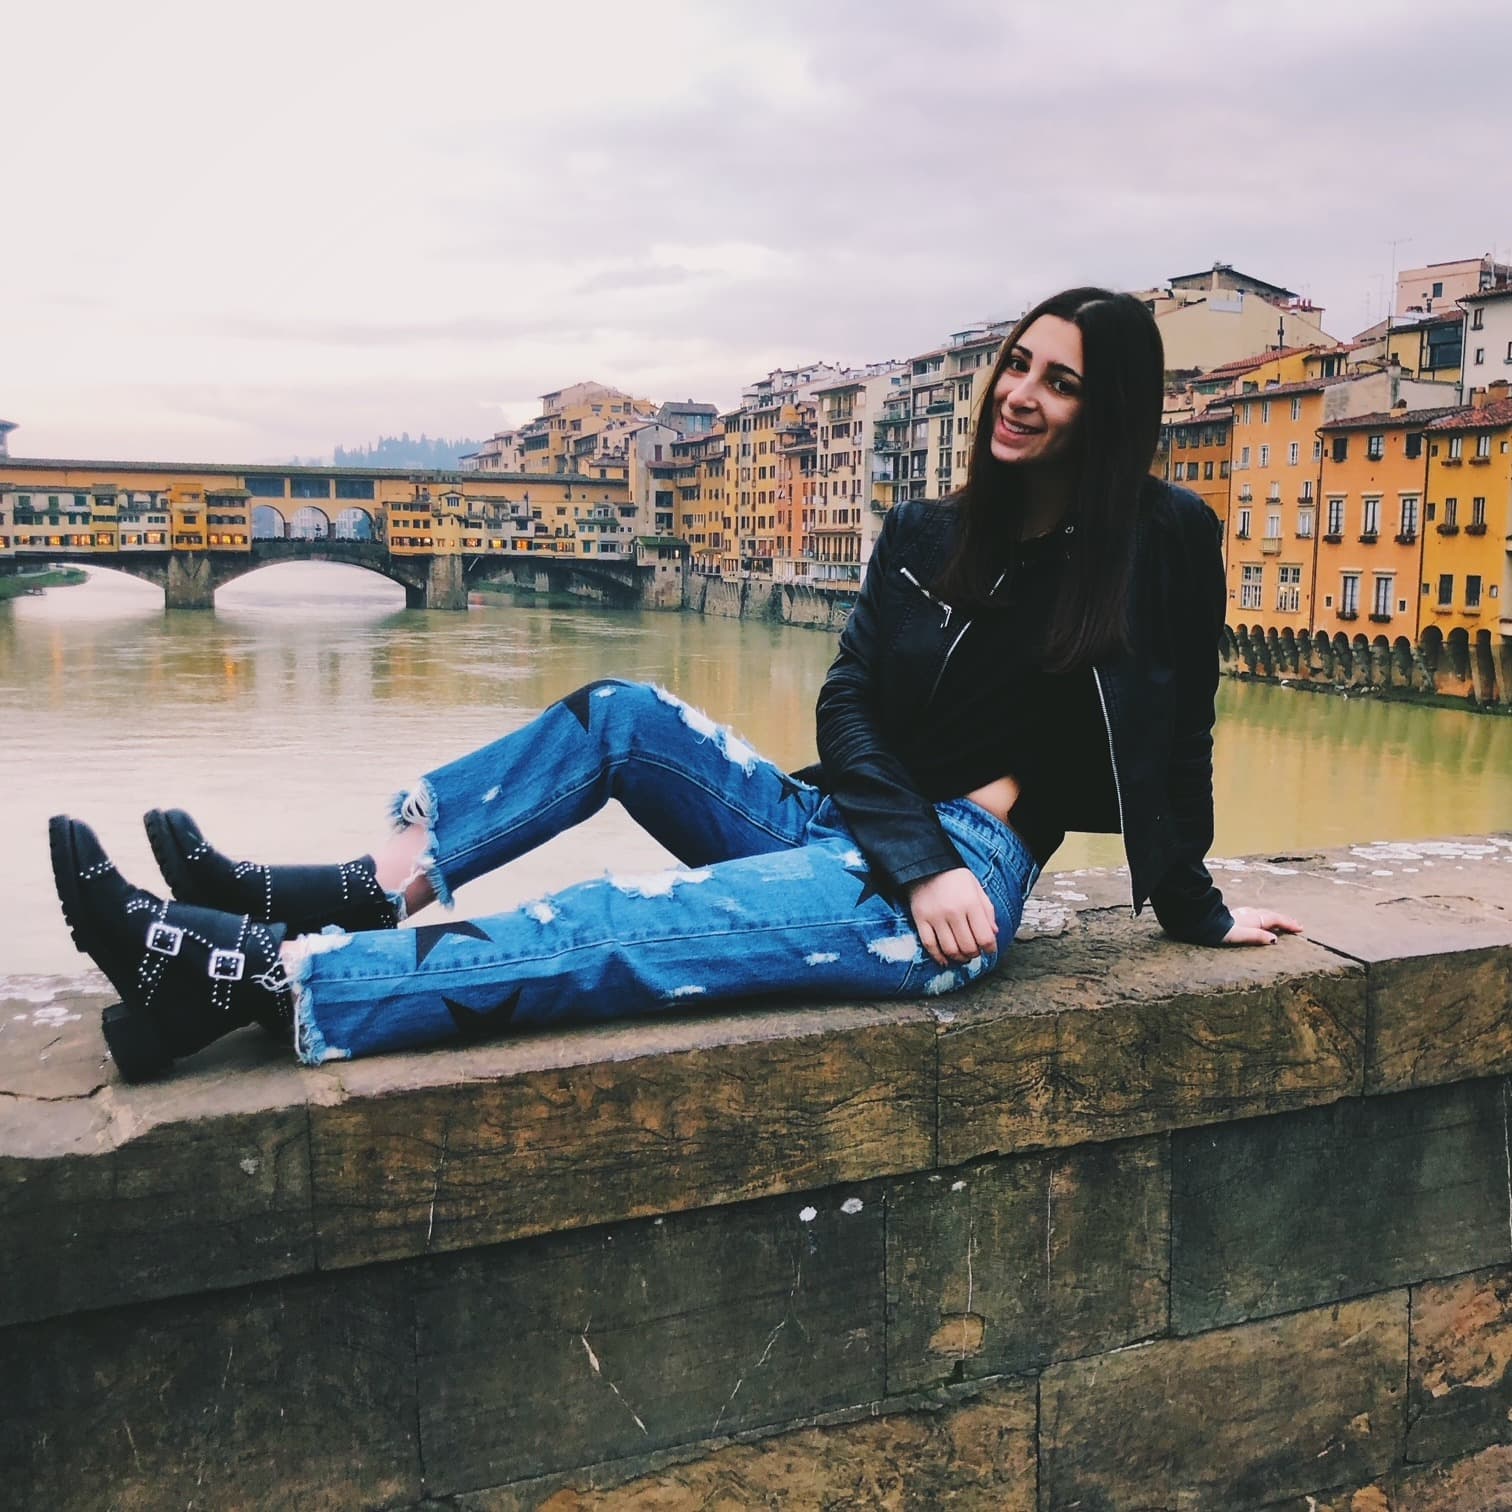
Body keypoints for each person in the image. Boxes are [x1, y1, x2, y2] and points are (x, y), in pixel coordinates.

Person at [49, 286, 1301, 1082]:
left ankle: (249, 979)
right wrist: (904, 844)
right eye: (1019, 365)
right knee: (622, 717)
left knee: (611, 925)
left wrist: (1188, 904)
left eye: (1061, 381)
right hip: (856, 823)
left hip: (960, 883)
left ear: (1110, 408)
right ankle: (355, 889)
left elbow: (1180, 728)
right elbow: (847, 704)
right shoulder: (931, 529)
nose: (1020, 395)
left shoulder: (1162, 540)